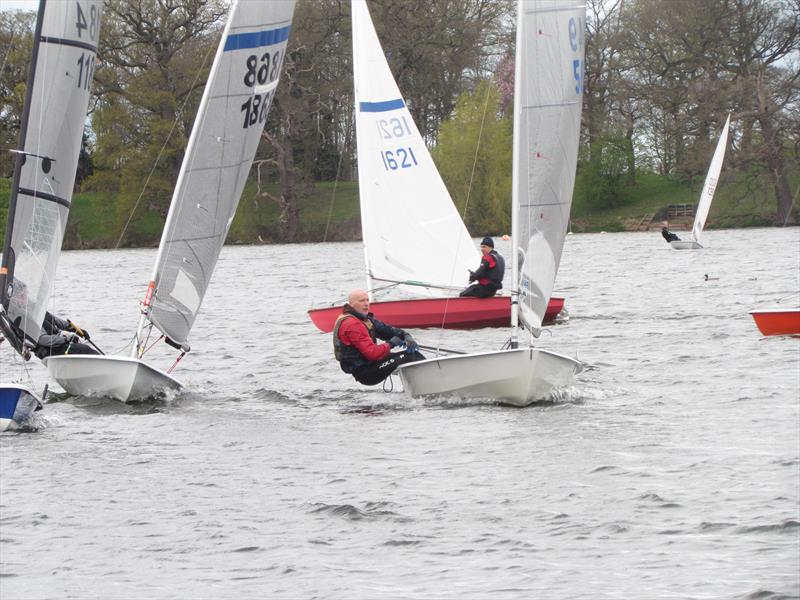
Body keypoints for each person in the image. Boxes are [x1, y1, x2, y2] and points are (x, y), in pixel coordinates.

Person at [333, 289, 425, 386]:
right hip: (366, 373)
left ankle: (418, 387)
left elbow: (389, 331)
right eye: (361, 301)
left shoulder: (364, 319)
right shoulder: (352, 324)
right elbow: (372, 353)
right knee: (412, 356)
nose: (366, 304)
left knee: (413, 354)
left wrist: (407, 337)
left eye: (367, 300)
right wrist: (391, 344)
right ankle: (428, 385)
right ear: (351, 304)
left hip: (372, 364)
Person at [34, 311, 99, 360]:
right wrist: (66, 339)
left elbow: (60, 323)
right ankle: (103, 366)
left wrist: (79, 331)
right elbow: (42, 339)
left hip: (56, 346)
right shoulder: (33, 318)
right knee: (84, 349)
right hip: (47, 350)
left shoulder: (42, 313)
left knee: (78, 345)